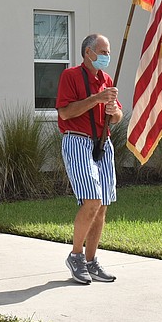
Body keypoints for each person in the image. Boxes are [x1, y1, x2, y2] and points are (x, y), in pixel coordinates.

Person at [56, 33, 122, 285]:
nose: (106, 57)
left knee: (102, 204)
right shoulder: (70, 76)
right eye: (102, 52)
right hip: (77, 140)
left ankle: (92, 261)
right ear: (88, 53)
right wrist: (95, 99)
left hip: (103, 143)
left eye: (108, 52)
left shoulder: (106, 80)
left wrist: (113, 111)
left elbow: (117, 116)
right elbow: (65, 112)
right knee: (92, 200)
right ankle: (76, 256)